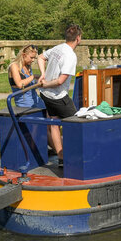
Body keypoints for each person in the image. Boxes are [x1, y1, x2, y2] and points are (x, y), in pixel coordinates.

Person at [38, 24, 83, 165]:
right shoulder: (70, 56)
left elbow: (40, 57)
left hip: (45, 95)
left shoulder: (58, 48)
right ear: (78, 38)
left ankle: (61, 157)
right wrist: (46, 82)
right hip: (58, 96)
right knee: (76, 125)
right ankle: (76, 157)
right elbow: (60, 81)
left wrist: (43, 74)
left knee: (54, 123)